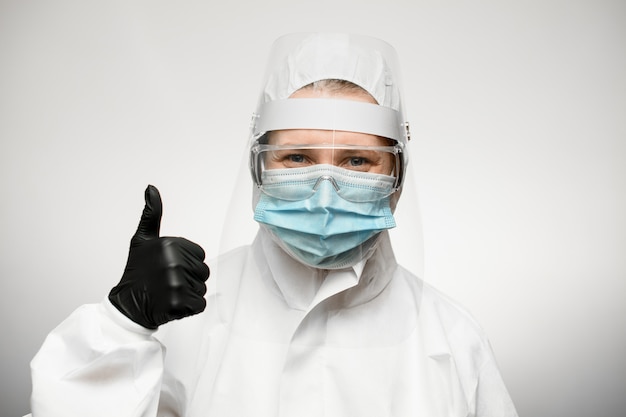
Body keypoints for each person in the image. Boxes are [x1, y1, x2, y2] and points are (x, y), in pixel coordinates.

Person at [28, 33, 518, 417]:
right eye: (298, 157)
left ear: (397, 175)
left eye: (357, 160)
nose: (325, 194)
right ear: (259, 169)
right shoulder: (185, 321)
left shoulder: (451, 338)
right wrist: (123, 326)